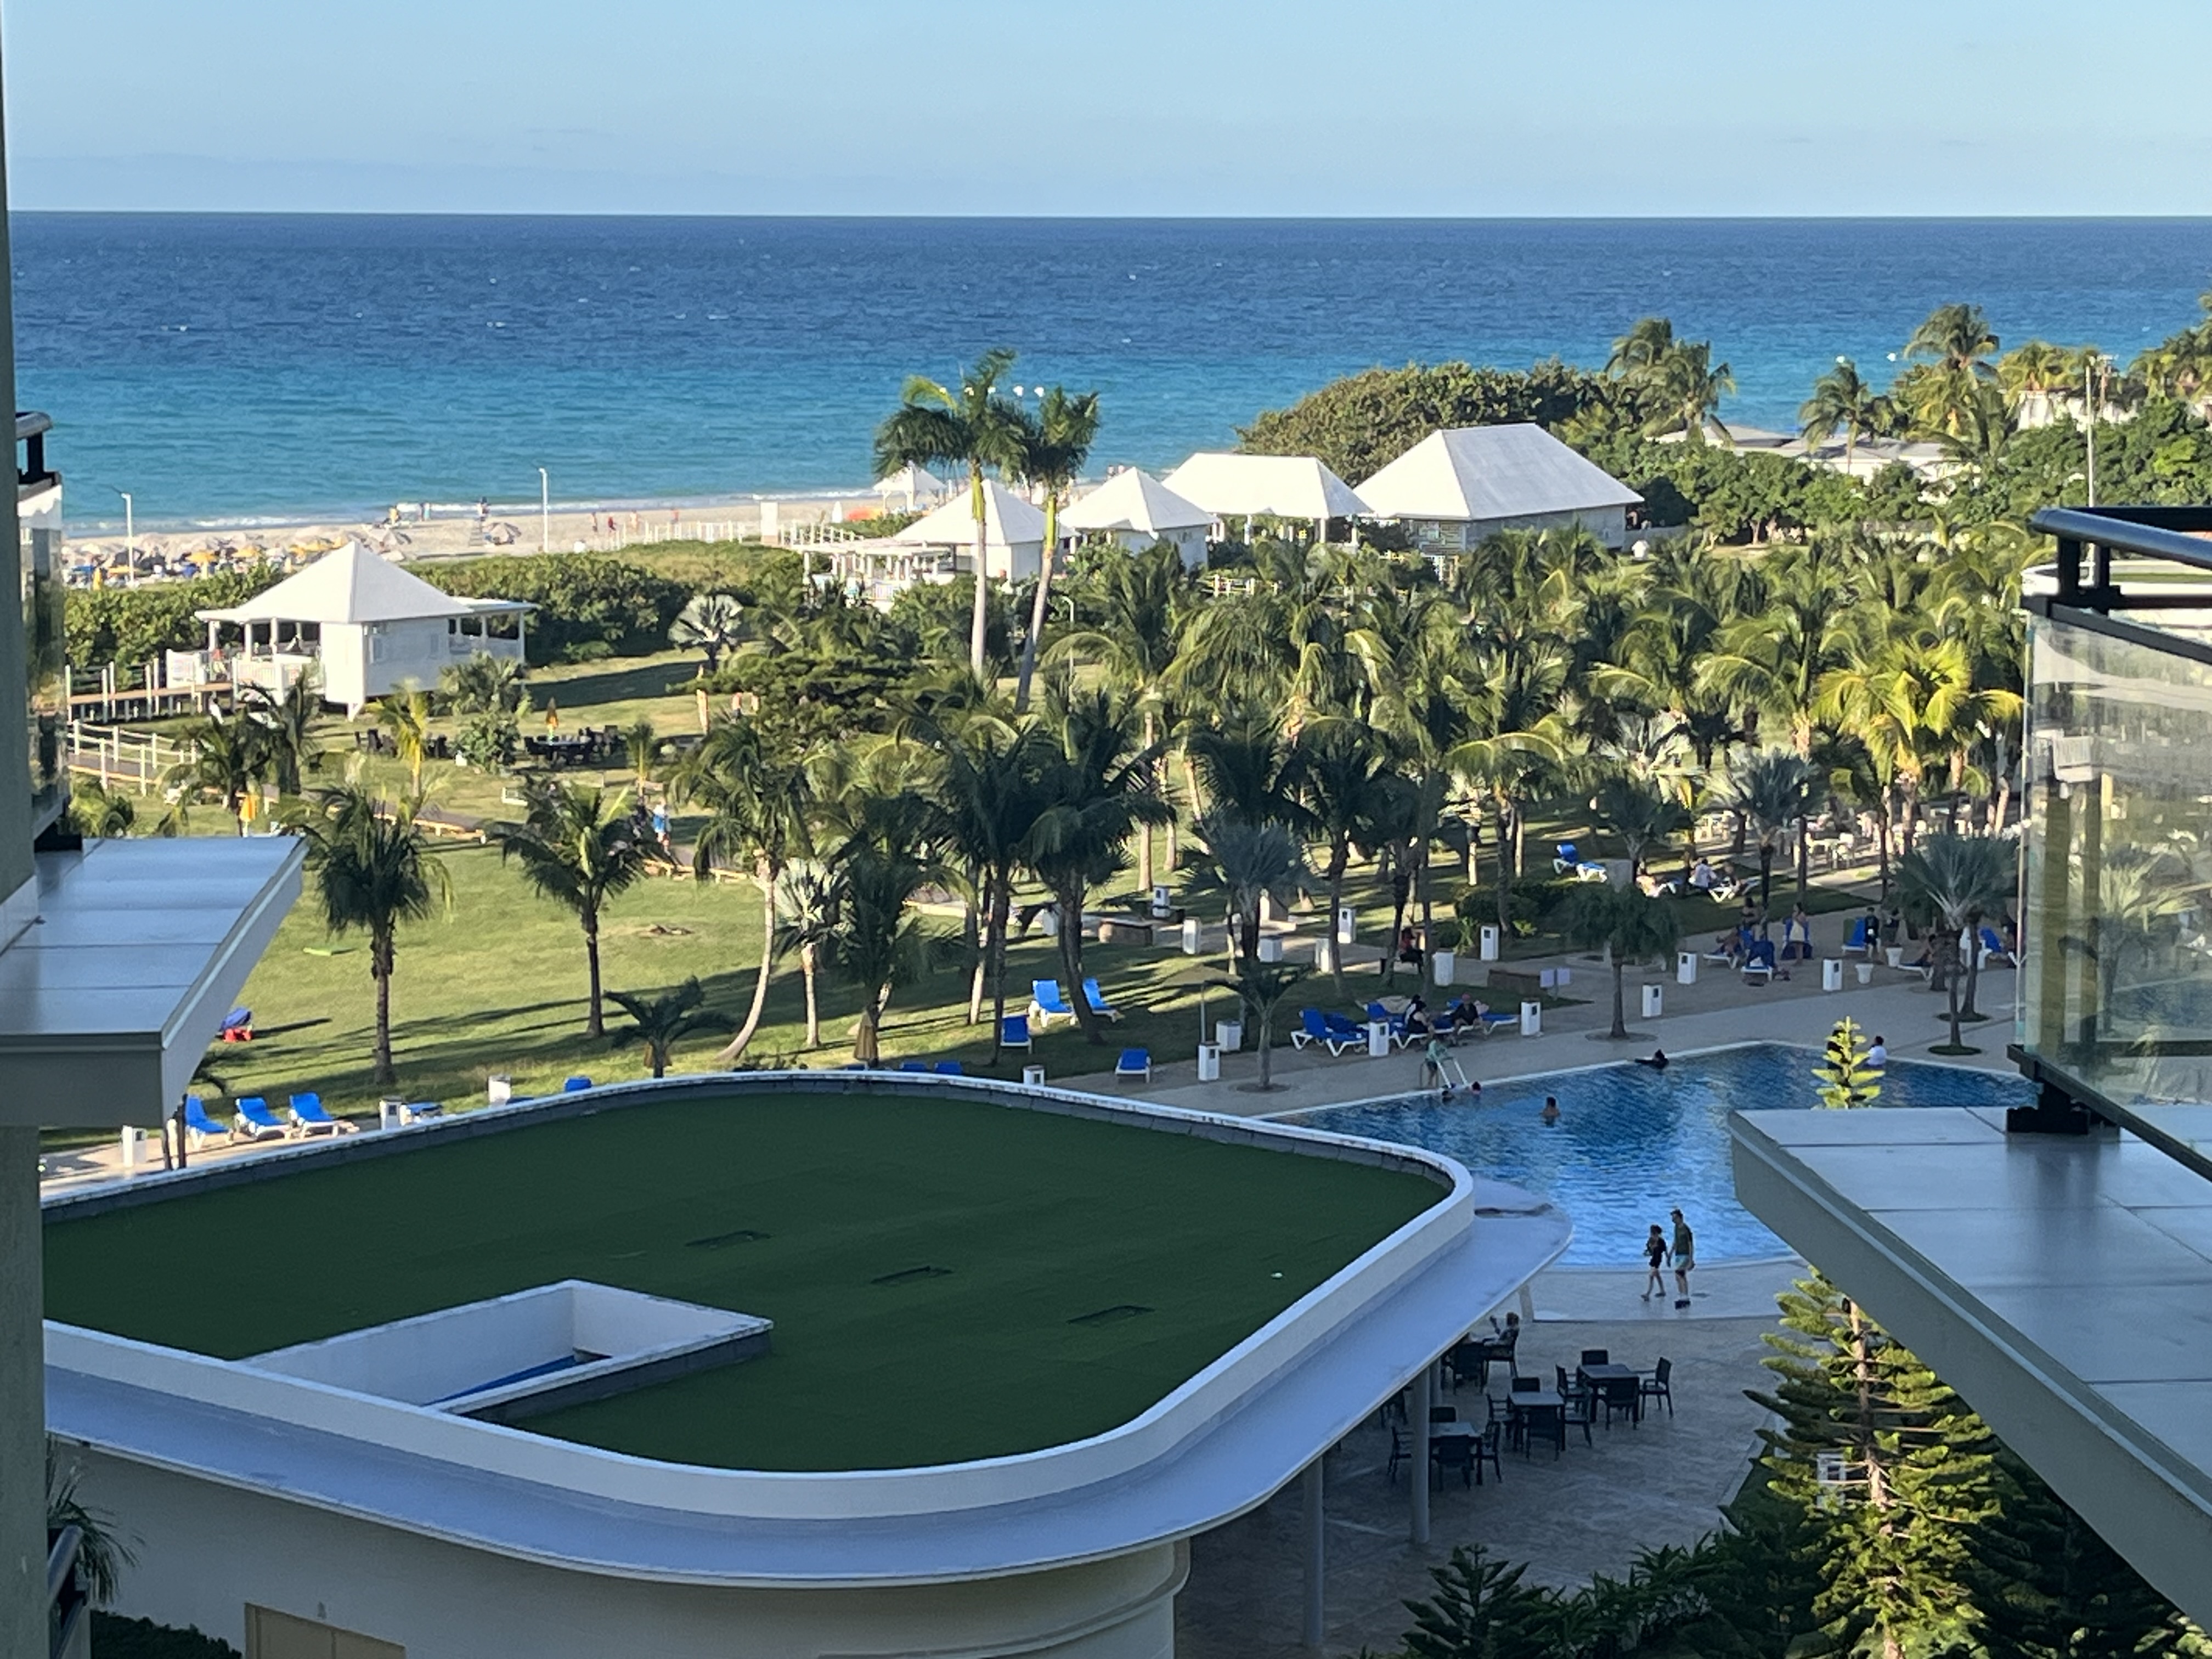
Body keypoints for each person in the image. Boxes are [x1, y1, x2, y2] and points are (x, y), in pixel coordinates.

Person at [1670, 1207, 1695, 1307]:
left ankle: (1684, 1297)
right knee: (1680, 1276)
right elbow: (1676, 1242)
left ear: (1680, 1218)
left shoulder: (1686, 1229)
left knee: (1679, 1274)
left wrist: (1691, 1259)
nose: (1673, 1220)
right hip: (1678, 1255)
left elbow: (1690, 1244)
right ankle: (1683, 1296)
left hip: (1685, 1255)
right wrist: (1670, 1254)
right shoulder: (1676, 1228)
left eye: (1675, 1218)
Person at [1642, 1224, 1669, 1301]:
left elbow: (1665, 1250)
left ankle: (1648, 1294)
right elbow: (1650, 1251)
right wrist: (1648, 1252)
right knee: (1657, 1276)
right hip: (1654, 1259)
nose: (1652, 1234)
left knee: (1651, 1276)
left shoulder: (1661, 1241)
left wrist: (1668, 1259)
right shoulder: (1651, 1240)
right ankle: (1663, 1291)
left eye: (1653, 1232)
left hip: (1658, 1260)